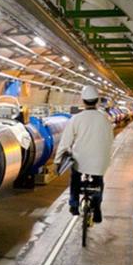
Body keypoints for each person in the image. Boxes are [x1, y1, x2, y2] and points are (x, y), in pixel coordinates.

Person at [53, 85, 113, 223]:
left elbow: (65, 142)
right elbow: (110, 139)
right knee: (98, 181)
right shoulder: (105, 118)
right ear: (97, 100)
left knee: (75, 178)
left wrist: (57, 162)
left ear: (83, 101)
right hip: (100, 161)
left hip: (81, 160)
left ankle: (74, 204)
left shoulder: (76, 119)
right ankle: (97, 207)